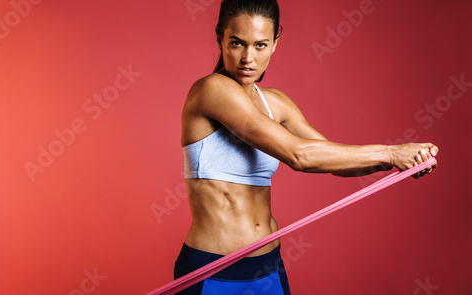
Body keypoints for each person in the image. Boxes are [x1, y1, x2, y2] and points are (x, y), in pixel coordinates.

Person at [174, 0, 439, 294]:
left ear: (275, 43)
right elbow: (299, 155)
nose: (248, 57)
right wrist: (390, 152)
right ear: (220, 39)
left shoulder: (276, 103)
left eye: (261, 45)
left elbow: (330, 159)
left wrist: (404, 162)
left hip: (269, 265)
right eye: (237, 43)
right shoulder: (210, 90)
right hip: (215, 269)